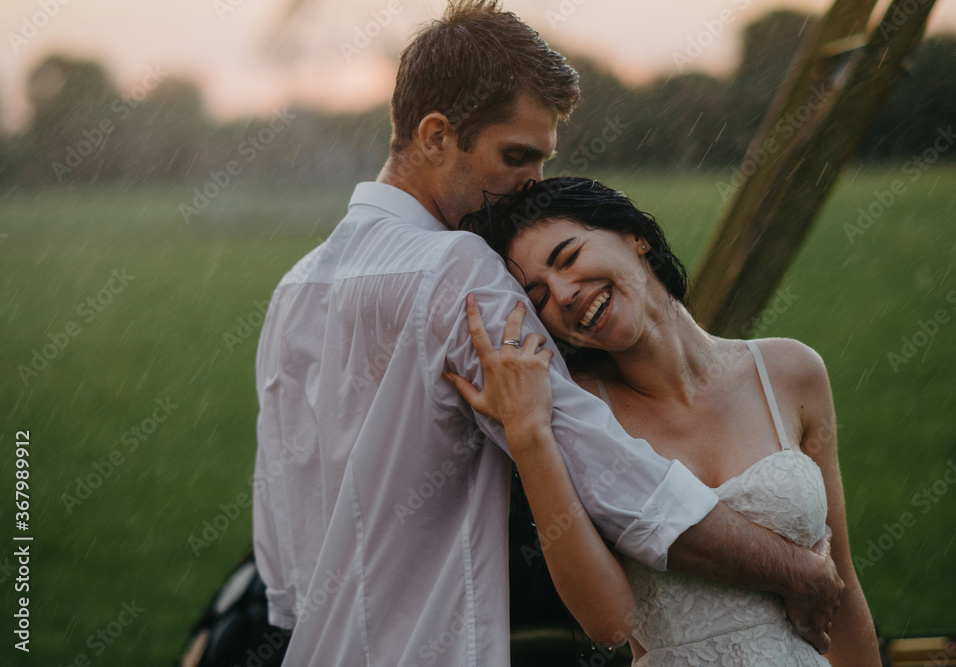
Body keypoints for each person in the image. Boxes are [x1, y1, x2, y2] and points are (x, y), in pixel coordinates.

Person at [251, 3, 843, 665]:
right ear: (436, 136)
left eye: (542, 160)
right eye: (515, 157)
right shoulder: (458, 271)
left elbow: (280, 556)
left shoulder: (294, 289)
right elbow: (615, 480)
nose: (531, 186)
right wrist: (800, 571)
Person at [450, 176, 880, 665]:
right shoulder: (578, 417)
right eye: (539, 296)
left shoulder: (791, 372)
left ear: (636, 237)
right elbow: (608, 622)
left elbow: (840, 584)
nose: (564, 293)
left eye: (568, 257)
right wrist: (528, 438)